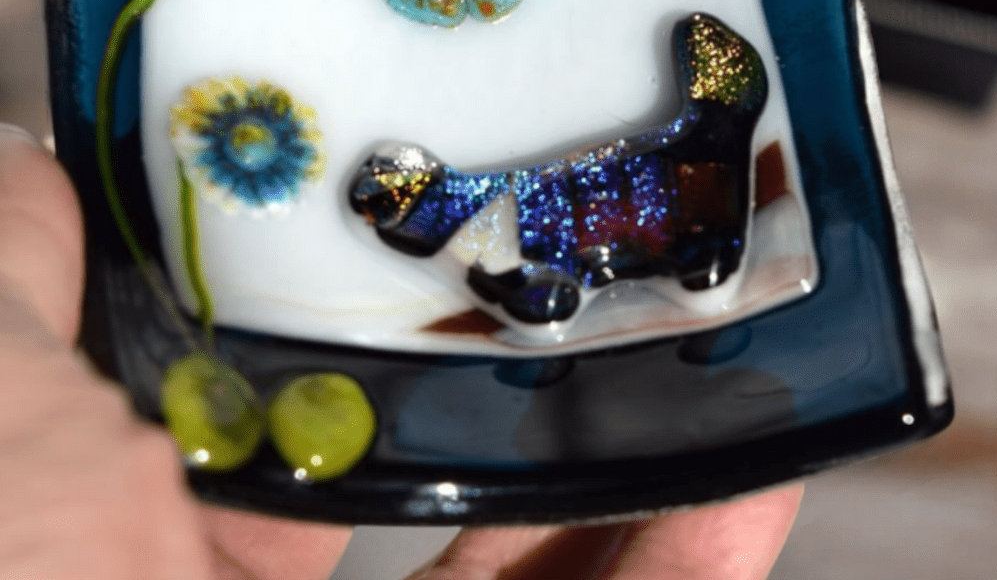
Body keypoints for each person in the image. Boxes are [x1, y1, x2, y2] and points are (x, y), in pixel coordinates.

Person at [0, 123, 802, 579]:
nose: (395, 225)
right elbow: (531, 288)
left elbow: (532, 283)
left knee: (672, 213)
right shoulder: (477, 229)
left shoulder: (481, 222)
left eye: (397, 211)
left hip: (663, 205)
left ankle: (703, 234)